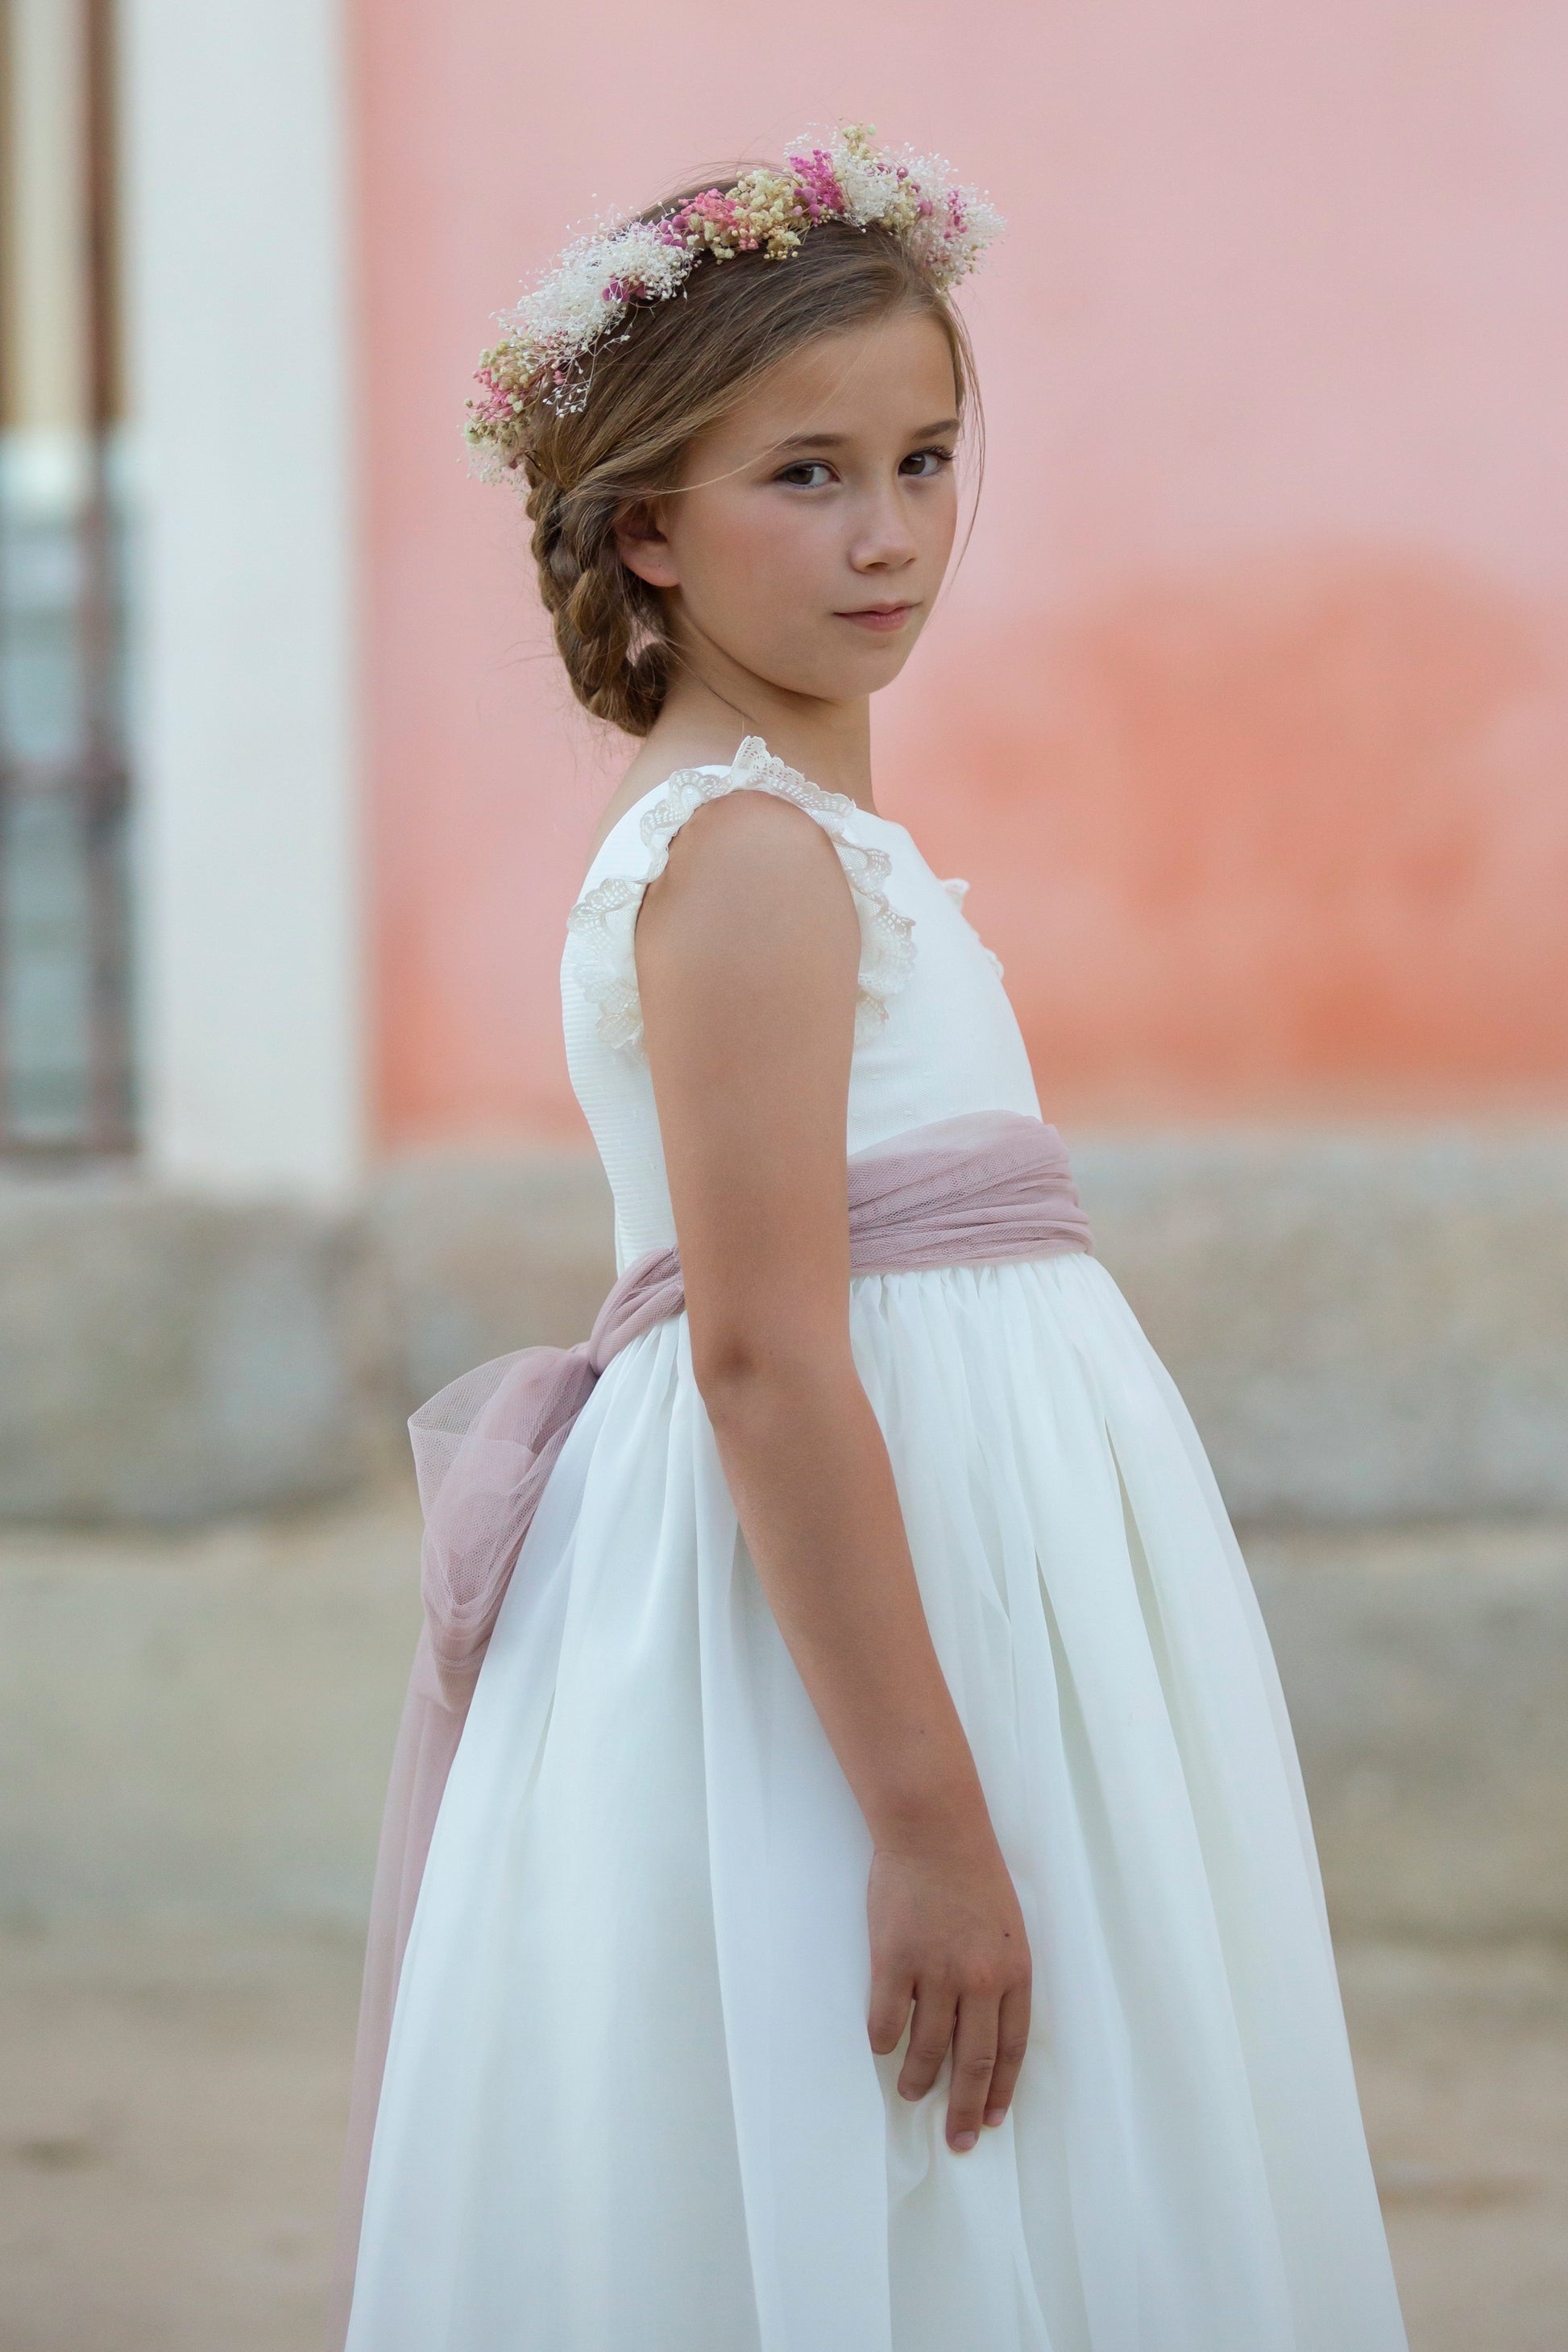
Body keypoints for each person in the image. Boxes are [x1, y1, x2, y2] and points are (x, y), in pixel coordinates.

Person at [333, 122, 1408, 2352]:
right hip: (848, 1597)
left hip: (960, 1544)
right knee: (907, 2139)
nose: (889, 533)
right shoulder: (742, 856)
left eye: (922, 462)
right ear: (645, 524)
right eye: (804, 478)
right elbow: (760, 1354)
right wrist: (923, 1816)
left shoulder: (802, 821)